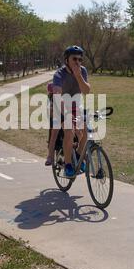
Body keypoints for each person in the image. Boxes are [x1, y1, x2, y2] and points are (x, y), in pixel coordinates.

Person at [49, 46, 90, 177]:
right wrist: (66, 114)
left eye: (80, 59)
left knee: (85, 132)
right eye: (74, 59)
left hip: (76, 105)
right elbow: (57, 95)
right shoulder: (59, 74)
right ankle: (67, 165)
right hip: (60, 105)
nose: (78, 62)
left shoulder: (82, 71)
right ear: (67, 60)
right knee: (69, 131)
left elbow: (87, 91)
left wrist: (79, 76)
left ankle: (77, 156)